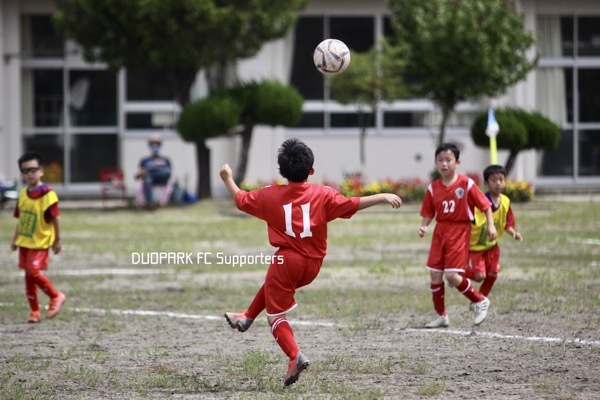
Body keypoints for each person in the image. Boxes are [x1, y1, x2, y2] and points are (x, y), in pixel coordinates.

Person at [220, 138, 402, 387]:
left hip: (286, 261)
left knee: (275, 316)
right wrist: (381, 195)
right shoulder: (323, 194)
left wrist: (227, 178)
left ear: (282, 171)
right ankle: (246, 316)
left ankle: (295, 356)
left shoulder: (269, 195)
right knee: (272, 287)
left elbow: (240, 200)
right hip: (313, 265)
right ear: (311, 170)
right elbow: (352, 204)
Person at [418, 143, 497, 328]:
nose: (444, 164)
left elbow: (485, 205)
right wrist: (424, 226)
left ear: (457, 162)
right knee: (435, 274)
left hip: (459, 231)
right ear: (435, 163)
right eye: (440, 160)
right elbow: (429, 211)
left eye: (448, 160)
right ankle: (441, 315)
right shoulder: (433, 188)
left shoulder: (466, 184)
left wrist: (491, 226)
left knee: (452, 276)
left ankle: (479, 300)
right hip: (440, 232)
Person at [10, 152, 66, 323]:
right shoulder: (22, 195)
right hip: (25, 243)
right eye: (25, 170)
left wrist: (57, 239)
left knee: (33, 272)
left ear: (41, 171)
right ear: (22, 174)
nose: (29, 174)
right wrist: (14, 239)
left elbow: (56, 217)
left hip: (40, 242)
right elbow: (22, 219)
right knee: (28, 277)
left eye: (33, 170)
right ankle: (34, 311)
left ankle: (56, 296)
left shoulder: (48, 195)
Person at [467, 164, 523, 299]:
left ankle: (481, 299)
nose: (498, 183)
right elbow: (473, 220)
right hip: (476, 246)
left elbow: (506, 223)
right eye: (494, 180)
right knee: (480, 276)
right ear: (486, 183)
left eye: (501, 179)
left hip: (492, 246)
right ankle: (457, 273)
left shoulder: (505, 201)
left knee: (492, 274)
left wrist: (513, 233)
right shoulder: (480, 201)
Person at [135, 134, 171, 207]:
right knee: (147, 178)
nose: (155, 146)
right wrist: (142, 173)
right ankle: (150, 203)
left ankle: (161, 202)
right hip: (149, 179)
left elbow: (168, 173)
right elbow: (137, 176)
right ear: (150, 146)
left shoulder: (165, 160)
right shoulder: (144, 160)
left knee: (163, 172)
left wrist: (149, 170)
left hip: (162, 178)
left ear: (159, 145)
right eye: (152, 144)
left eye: (157, 144)